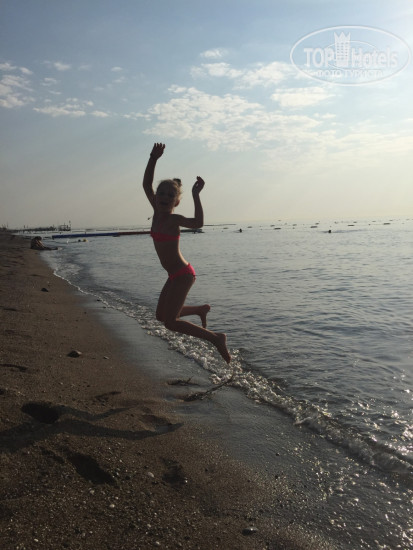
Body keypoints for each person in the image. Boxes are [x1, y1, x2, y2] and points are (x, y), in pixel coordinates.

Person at [143, 142, 231, 363]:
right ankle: (200, 310)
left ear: (176, 201)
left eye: (170, 195)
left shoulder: (174, 219)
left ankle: (216, 338)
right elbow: (146, 184)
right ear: (156, 197)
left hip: (183, 275)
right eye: (161, 193)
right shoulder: (156, 213)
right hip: (173, 275)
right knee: (161, 316)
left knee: (170, 322)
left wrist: (196, 194)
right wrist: (153, 158)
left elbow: (198, 223)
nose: (164, 196)